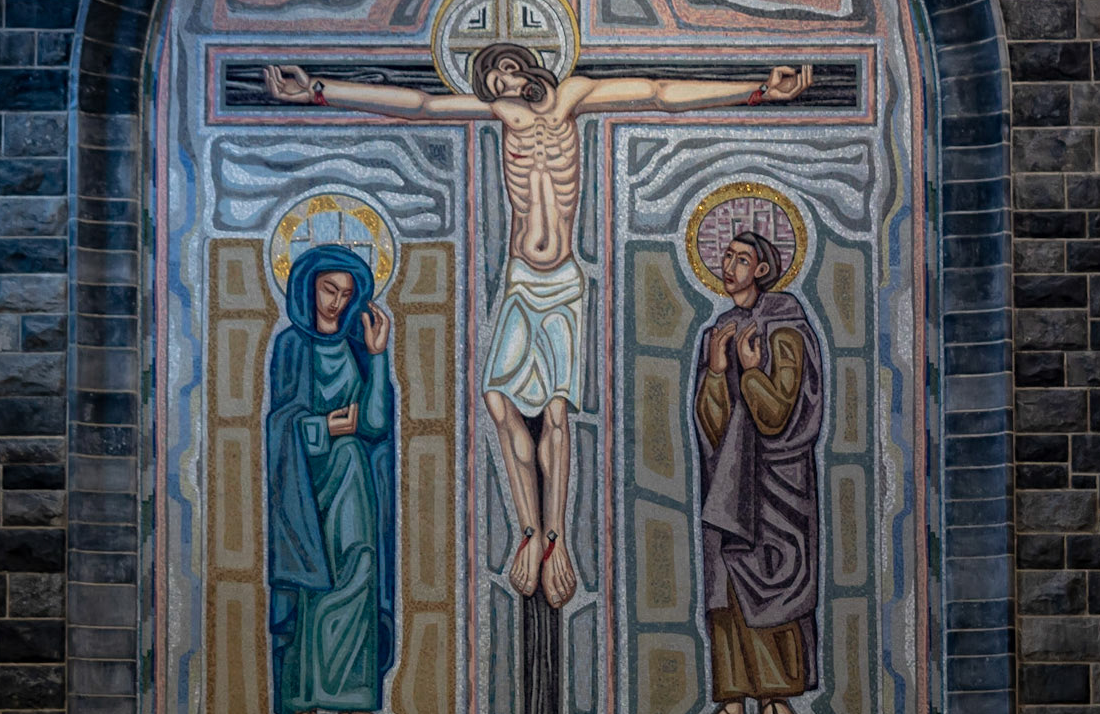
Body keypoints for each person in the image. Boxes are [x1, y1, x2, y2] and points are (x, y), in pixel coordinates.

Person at [264, 50, 811, 608]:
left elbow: (658, 91)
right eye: (493, 77)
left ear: (529, 65)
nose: (502, 81)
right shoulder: (501, 114)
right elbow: (420, 104)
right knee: (498, 402)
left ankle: (558, 540)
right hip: (522, 282)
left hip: (564, 284)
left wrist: (757, 89)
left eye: (507, 70)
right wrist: (320, 89)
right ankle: (528, 530)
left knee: (555, 411)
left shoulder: (575, 95)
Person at [689, 228, 824, 714]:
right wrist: (717, 372)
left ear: (762, 270)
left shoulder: (786, 327)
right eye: (725, 256)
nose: (729, 266)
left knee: (772, 580)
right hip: (729, 482)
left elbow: (779, 415)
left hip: (776, 483)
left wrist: (749, 372)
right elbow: (712, 425)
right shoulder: (720, 330)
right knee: (726, 584)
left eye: (741, 258)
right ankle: (731, 705)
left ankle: (775, 701)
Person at [265, 244, 398, 714]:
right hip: (301, 486)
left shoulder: (354, 348)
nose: (336, 303)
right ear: (308, 287)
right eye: (328, 290)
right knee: (309, 585)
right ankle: (300, 704)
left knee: (359, 576)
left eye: (345, 294)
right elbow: (280, 425)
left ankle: (354, 708)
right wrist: (325, 426)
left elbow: (376, 420)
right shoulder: (291, 347)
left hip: (352, 480)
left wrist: (379, 355)